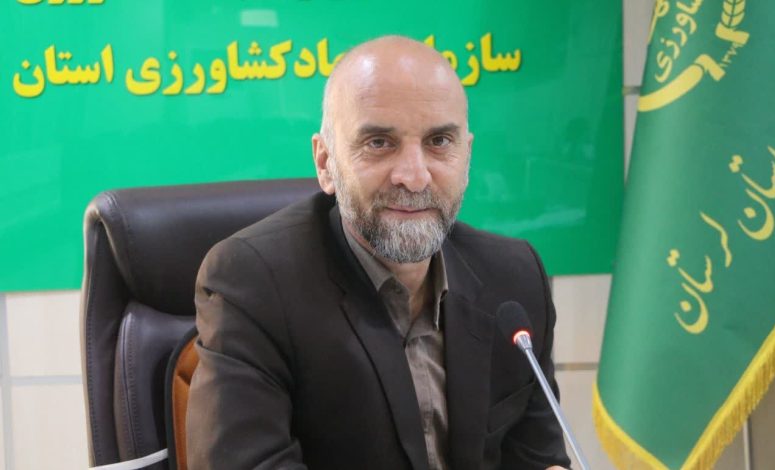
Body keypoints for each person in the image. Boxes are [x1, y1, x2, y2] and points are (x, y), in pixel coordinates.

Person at [186, 35, 570, 470]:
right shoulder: (252, 283)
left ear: (467, 155)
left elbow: (537, 459)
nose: (414, 176)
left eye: (439, 141)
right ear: (326, 163)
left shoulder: (514, 278)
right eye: (379, 143)